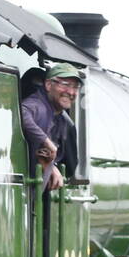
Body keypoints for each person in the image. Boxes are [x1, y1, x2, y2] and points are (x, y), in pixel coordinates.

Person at [20, 62, 84, 191]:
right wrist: (46, 141)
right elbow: (21, 112)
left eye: (75, 87)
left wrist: (51, 166)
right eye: (65, 84)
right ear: (49, 85)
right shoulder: (38, 106)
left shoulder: (60, 118)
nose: (71, 92)